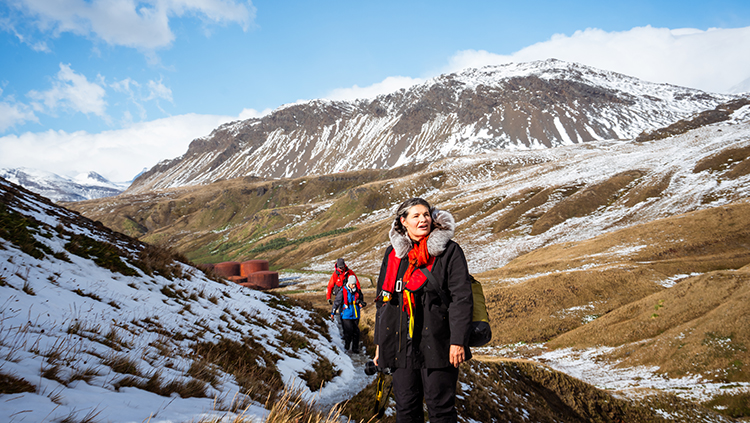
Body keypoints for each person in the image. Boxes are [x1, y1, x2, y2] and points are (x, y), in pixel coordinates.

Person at [373, 198, 473, 423]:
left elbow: (461, 299)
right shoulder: (393, 255)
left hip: (438, 343)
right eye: (416, 216)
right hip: (400, 346)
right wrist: (380, 345)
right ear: (403, 221)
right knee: (406, 409)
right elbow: (383, 303)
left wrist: (457, 341)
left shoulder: (450, 252)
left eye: (426, 215)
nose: (423, 220)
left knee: (441, 409)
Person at [331, 275, 367, 353]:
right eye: (352, 284)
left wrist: (361, 303)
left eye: (354, 284)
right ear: (349, 283)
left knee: (356, 332)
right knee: (349, 331)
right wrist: (333, 312)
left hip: (356, 314)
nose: (353, 285)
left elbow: (361, 299)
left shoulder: (358, 291)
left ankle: (355, 348)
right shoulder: (343, 291)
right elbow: (337, 302)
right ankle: (347, 346)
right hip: (346, 315)